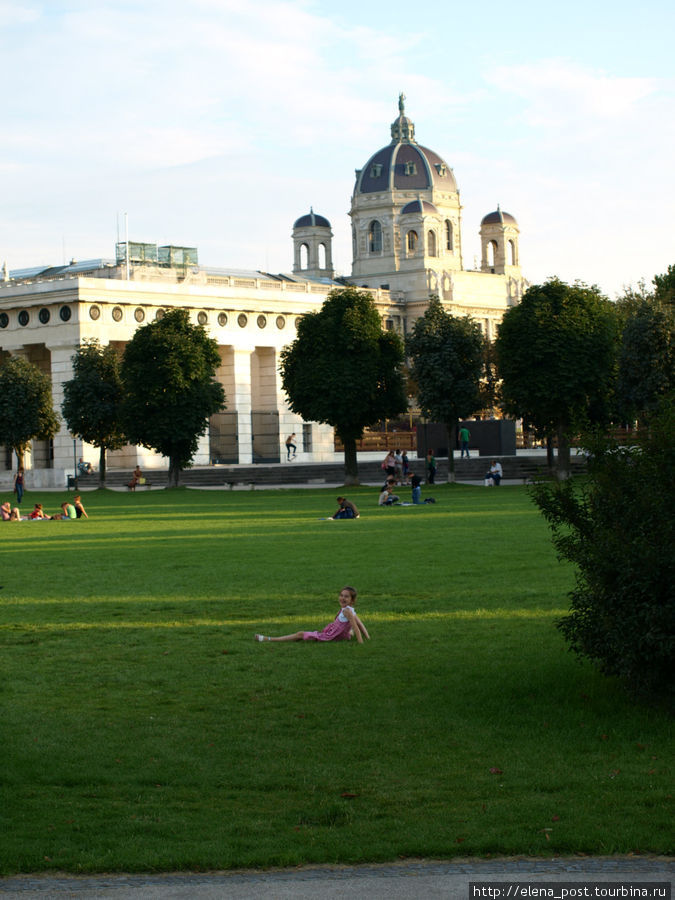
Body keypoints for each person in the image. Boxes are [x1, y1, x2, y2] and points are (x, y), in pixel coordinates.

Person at [255, 586, 370, 644]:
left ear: (352, 600)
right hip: (341, 634)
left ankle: (269, 639)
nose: (342, 598)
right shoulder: (350, 610)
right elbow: (360, 624)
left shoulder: (347, 611)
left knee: (300, 634)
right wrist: (368, 637)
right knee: (349, 630)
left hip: (330, 636)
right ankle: (346, 634)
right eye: (341, 595)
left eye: (346, 597)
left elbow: (356, 627)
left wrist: (361, 643)